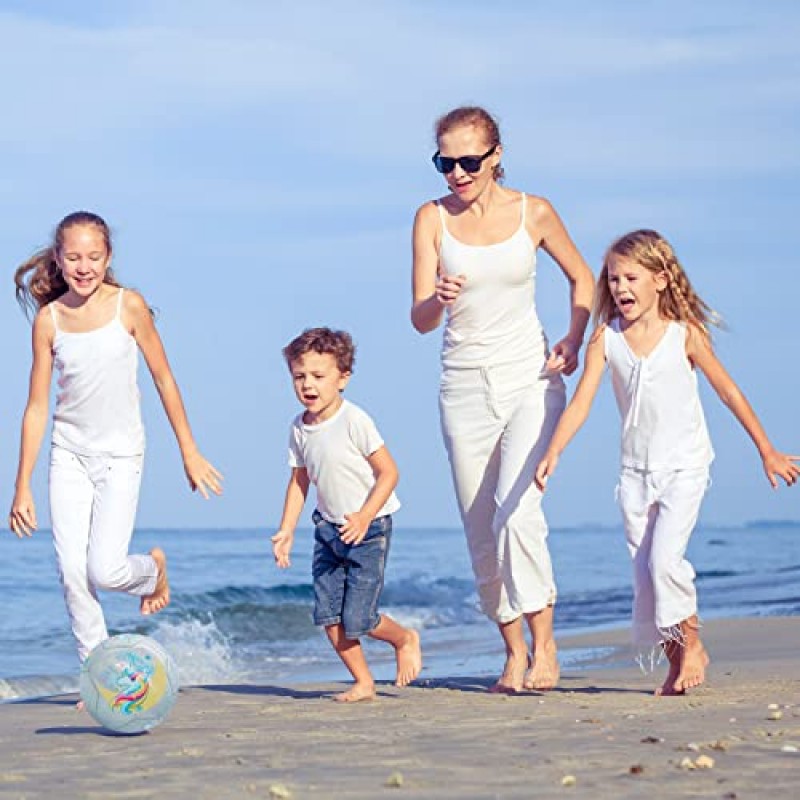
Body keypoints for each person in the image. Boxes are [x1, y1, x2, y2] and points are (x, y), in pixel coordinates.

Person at [535, 229, 798, 695]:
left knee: (663, 561)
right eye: (613, 279)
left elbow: (729, 392)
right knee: (646, 578)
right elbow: (581, 403)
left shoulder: (685, 335)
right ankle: (678, 663)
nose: (619, 288)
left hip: (684, 466)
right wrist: (554, 450)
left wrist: (767, 450)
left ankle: (693, 645)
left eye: (630, 277)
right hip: (635, 474)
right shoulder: (605, 340)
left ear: (660, 279)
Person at [411, 106, 594, 693]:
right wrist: (437, 298)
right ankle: (512, 651)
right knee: (480, 528)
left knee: (518, 512)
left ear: (495, 156)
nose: (456, 174)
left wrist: (573, 337)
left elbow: (583, 280)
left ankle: (546, 647)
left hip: (530, 379)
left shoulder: (532, 212)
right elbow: (419, 318)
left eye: (468, 162)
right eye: (445, 162)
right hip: (463, 387)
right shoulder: (430, 219)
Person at [9, 211, 223, 666]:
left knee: (104, 569)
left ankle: (152, 572)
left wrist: (190, 451)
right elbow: (37, 407)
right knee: (72, 573)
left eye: (93, 256)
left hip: (122, 455)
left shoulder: (129, 306)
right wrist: (21, 484)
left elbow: (164, 379)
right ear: (59, 260)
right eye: (73, 257)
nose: (84, 267)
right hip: (68, 456)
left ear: (108, 257)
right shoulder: (49, 320)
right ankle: (100, 670)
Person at [271, 327, 422, 702]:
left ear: (343, 378)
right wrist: (286, 529)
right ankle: (364, 682)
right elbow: (299, 482)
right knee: (329, 617)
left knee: (361, 619)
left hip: (369, 530)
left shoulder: (355, 420)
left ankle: (404, 638)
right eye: (299, 376)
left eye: (319, 376)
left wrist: (364, 517)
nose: (308, 385)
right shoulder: (298, 428)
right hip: (328, 530)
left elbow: (390, 473)